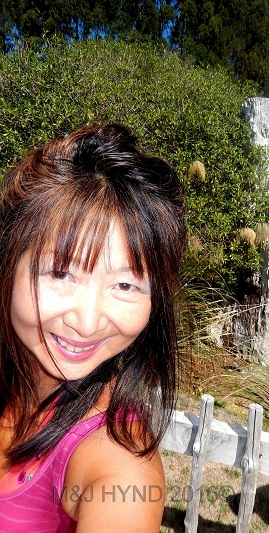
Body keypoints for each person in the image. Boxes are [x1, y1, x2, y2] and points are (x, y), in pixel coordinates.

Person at [0, 124, 186, 531]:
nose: (86, 322)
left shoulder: (121, 468)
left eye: (125, 284)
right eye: (62, 273)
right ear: (8, 264)